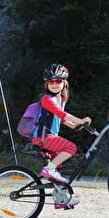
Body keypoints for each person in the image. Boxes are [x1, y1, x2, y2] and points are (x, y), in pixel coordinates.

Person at [32, 63, 91, 209]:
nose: (54, 84)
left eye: (58, 81)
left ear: (64, 82)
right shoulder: (47, 99)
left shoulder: (60, 99)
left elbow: (62, 120)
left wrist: (78, 125)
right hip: (44, 138)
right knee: (71, 147)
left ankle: (60, 200)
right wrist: (81, 120)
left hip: (49, 137)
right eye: (50, 81)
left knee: (58, 170)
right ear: (46, 84)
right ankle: (49, 169)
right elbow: (62, 114)